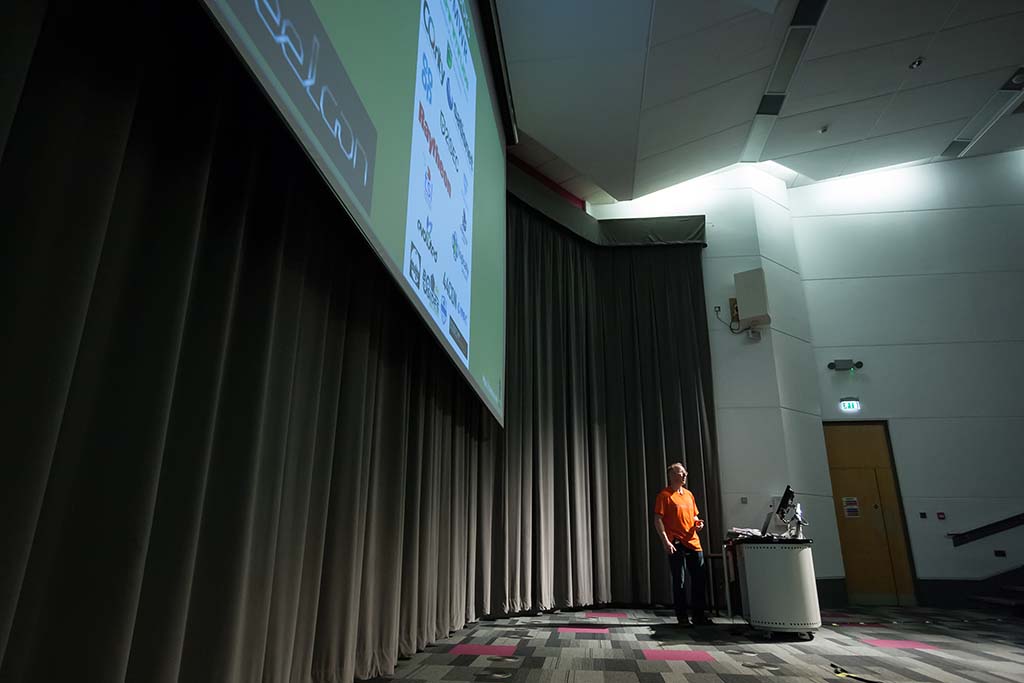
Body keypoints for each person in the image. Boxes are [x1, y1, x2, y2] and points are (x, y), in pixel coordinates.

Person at [653, 462, 710, 626]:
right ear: (671, 476)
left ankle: (698, 616)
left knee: (699, 579)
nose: (684, 475)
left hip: (693, 542)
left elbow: (694, 516)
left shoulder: (689, 495)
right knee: (680, 580)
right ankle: (682, 616)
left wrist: (698, 523)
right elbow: (657, 519)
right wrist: (665, 541)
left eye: (685, 472)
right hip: (676, 542)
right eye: (681, 473)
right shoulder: (664, 496)